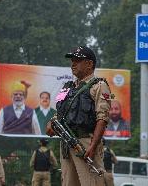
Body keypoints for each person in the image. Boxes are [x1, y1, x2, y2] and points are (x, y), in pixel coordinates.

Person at [46, 45, 112, 186]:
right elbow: (59, 113)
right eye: (72, 60)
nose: (73, 63)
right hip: (66, 144)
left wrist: (93, 146)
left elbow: (103, 118)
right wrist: (51, 122)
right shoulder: (67, 87)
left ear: (89, 64)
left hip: (86, 143)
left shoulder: (99, 85)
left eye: (78, 60)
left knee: (91, 183)